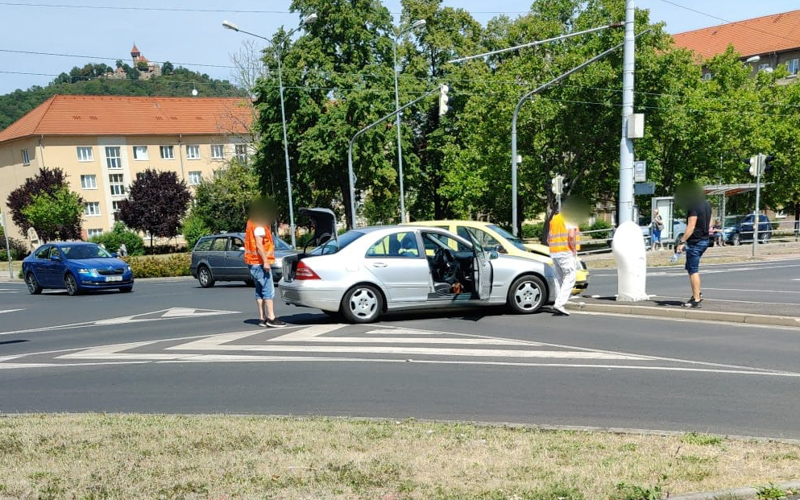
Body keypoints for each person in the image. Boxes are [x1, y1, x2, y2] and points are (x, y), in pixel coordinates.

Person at [244, 198, 286, 328]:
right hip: (260, 263)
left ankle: (262, 318)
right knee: (268, 290)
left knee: (259, 290)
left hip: (253, 262)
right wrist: (266, 262)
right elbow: (259, 244)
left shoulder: (252, 221)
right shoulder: (259, 225)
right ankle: (271, 318)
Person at [675, 182, 712, 308]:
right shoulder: (706, 204)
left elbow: (691, 226)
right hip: (705, 240)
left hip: (695, 241)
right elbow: (709, 222)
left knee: (693, 270)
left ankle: (696, 298)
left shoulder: (693, 206)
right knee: (690, 267)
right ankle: (697, 293)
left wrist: (681, 242)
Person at [548, 198, 584, 316]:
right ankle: (559, 303)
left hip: (554, 252)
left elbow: (549, 238)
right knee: (570, 277)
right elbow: (572, 236)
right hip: (566, 251)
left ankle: (558, 302)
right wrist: (573, 250)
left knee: (558, 278)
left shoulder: (555, 218)